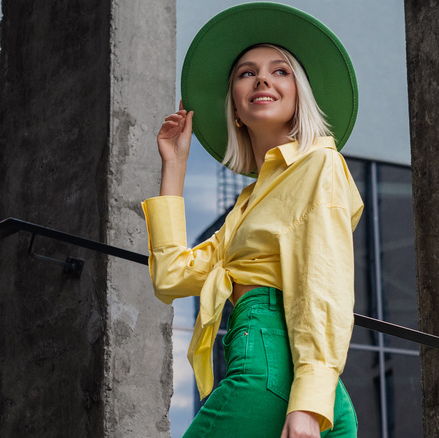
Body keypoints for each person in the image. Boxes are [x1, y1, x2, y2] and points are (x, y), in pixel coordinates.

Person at [141, 3, 363, 437]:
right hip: (289, 375)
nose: (262, 78)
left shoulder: (319, 164)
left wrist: (307, 405)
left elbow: (324, 285)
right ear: (236, 110)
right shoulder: (247, 207)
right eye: (247, 73)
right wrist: (174, 166)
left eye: (280, 71)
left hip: (280, 373)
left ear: (300, 94)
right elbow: (170, 278)